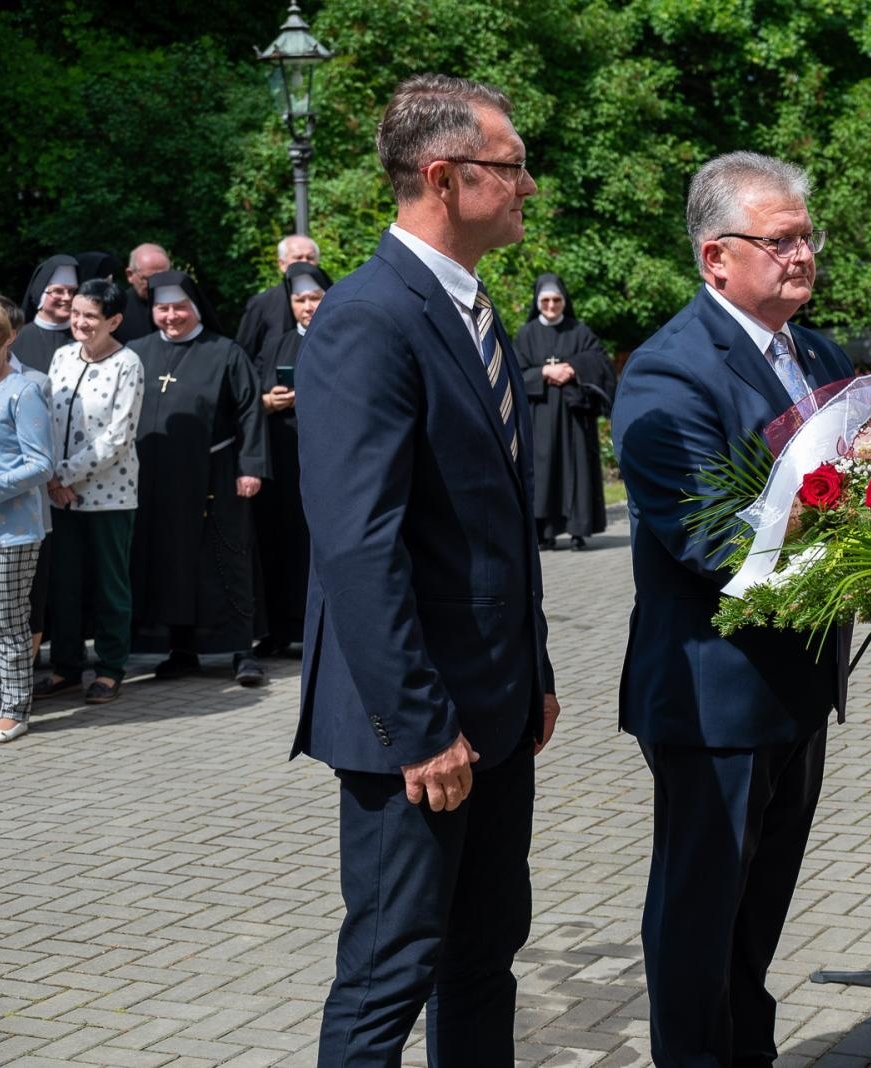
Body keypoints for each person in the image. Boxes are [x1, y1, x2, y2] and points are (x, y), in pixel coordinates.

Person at [292, 73, 558, 1066]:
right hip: (415, 728)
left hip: (491, 710)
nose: (529, 184)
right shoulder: (370, 317)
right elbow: (360, 546)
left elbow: (487, 528)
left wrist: (530, 676)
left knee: (484, 955)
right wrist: (418, 727)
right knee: (389, 969)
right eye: (512, 166)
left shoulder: (469, 308)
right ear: (443, 178)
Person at [612, 151, 853, 1067]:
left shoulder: (818, 353)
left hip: (798, 685)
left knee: (756, 920)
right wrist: (868, 564)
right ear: (717, 258)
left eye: (806, 237)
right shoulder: (669, 372)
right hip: (716, 694)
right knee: (697, 917)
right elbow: (706, 540)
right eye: (780, 239)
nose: (802, 254)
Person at [128, 271, 270, 686]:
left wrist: (250, 467)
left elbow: (250, 412)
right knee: (171, 562)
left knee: (228, 559)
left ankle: (242, 649)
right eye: (162, 308)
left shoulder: (225, 352)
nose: (171, 316)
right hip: (159, 481)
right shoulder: (137, 352)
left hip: (217, 475)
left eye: (179, 307)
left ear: (195, 307)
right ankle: (180, 649)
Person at [33, 280, 144, 706]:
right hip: (58, 494)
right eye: (76, 312)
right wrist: (52, 481)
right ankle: (65, 667)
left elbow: (116, 437)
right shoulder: (62, 357)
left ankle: (111, 668)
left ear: (114, 320)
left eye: (90, 316)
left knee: (109, 585)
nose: (79, 321)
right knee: (64, 584)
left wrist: (62, 476)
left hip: (109, 496)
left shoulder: (128, 364)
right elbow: (45, 420)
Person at [251, 262, 332, 657]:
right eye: (299, 299)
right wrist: (268, 401)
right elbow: (251, 396)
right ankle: (279, 629)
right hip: (282, 459)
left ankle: (320, 629)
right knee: (279, 543)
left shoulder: (343, 336)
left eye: (314, 297)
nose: (307, 306)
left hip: (328, 459)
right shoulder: (276, 344)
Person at [0, 301, 52, 744]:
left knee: (7, 622)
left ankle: (15, 709)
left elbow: (42, 465)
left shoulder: (23, 392)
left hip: (12, 530)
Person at [512, 273, 616, 550]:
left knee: (576, 471)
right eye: (545, 300)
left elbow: (600, 362)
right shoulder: (526, 335)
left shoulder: (579, 331)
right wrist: (545, 371)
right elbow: (513, 374)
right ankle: (544, 533)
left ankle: (578, 531)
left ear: (564, 301)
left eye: (556, 300)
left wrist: (573, 368)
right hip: (540, 418)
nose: (551, 305)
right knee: (544, 473)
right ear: (537, 302)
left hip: (574, 419)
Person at [235, 234, 321, 363]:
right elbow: (244, 355)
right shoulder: (262, 304)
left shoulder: (330, 296)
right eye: (298, 257)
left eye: (310, 258)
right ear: (282, 264)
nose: (304, 263)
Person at [14, 255, 80, 373]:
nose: (67, 297)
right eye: (58, 291)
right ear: (40, 295)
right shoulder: (16, 339)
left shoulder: (85, 336)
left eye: (72, 291)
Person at [114, 243, 170, 345]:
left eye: (163, 277)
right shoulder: (115, 309)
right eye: (148, 279)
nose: (156, 285)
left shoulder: (181, 307)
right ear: (130, 275)